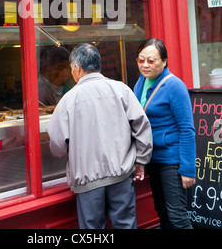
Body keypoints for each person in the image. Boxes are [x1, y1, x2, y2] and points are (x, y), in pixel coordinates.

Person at [47, 43, 153, 229]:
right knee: (126, 225)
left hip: (87, 181)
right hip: (121, 174)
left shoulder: (68, 100)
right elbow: (142, 127)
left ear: (77, 68)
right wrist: (141, 161)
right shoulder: (122, 90)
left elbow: (56, 145)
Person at [134, 38, 196, 229]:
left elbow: (187, 129)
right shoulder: (141, 82)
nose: (145, 65)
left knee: (177, 217)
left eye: (151, 61)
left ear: (164, 61)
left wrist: (187, 169)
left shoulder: (175, 86)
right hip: (152, 159)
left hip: (171, 160)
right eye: (141, 60)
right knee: (162, 211)